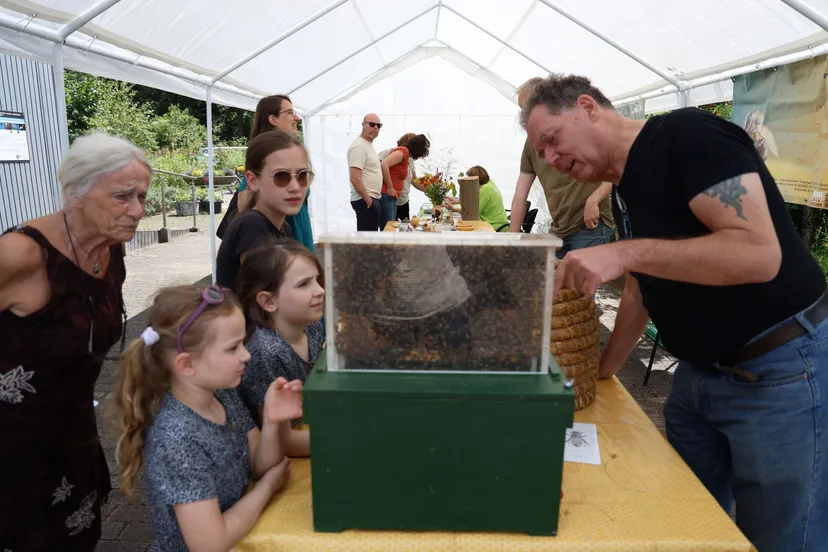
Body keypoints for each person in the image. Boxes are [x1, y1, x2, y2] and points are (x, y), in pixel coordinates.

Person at [521, 74, 828, 552]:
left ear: (587, 106)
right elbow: (644, 287)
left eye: (552, 140)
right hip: (698, 379)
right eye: (543, 156)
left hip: (778, 370)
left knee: (782, 537)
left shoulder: (688, 136)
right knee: (683, 523)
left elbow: (759, 254)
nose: (553, 160)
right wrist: (602, 371)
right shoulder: (624, 184)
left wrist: (624, 254)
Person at [0, 134, 150, 550]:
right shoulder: (21, 254)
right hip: (13, 448)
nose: (138, 210)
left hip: (71, 436)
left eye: (142, 195)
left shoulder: (110, 249)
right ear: (75, 194)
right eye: (123, 196)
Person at [114, 284, 302, 551]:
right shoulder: (177, 440)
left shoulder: (222, 395)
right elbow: (210, 544)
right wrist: (267, 488)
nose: (246, 354)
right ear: (187, 364)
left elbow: (260, 464)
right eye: (233, 347)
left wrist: (272, 421)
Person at [235, 239, 325, 456]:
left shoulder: (311, 326)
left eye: (317, 280)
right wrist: (353, 441)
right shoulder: (265, 352)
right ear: (268, 301)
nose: (320, 290)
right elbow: (284, 441)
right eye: (304, 284)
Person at [511, 77, 613, 252]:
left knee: (582, 280)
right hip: (559, 229)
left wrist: (594, 199)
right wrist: (511, 239)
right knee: (551, 278)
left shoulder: (579, 129)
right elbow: (520, 195)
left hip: (590, 226)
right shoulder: (531, 145)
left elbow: (613, 169)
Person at [216, 129, 312, 289]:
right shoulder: (251, 226)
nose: (295, 187)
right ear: (253, 181)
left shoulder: (282, 227)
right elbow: (267, 297)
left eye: (302, 175)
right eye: (281, 176)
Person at [225, 94, 315, 252]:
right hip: (282, 246)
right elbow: (244, 202)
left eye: (301, 175)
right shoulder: (266, 153)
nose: (297, 118)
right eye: (289, 112)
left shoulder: (284, 151)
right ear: (273, 119)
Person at [379, 133, 430, 226]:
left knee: (394, 229)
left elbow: (414, 180)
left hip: (396, 198)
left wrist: (429, 189)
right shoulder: (402, 152)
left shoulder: (407, 157)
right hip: (388, 196)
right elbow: (383, 165)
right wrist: (390, 187)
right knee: (388, 230)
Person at [444, 165, 510, 232]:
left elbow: (471, 213)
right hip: (501, 224)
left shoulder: (484, 190)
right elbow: (474, 201)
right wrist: (456, 201)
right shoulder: (489, 184)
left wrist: (453, 209)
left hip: (495, 227)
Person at [348, 113, 383, 230]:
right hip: (365, 199)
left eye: (379, 125)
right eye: (372, 124)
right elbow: (354, 177)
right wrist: (368, 200)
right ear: (363, 125)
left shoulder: (367, 145)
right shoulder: (359, 146)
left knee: (370, 241)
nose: (376, 128)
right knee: (367, 244)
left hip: (370, 198)